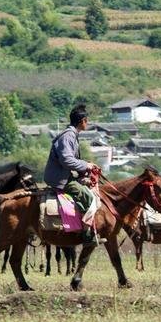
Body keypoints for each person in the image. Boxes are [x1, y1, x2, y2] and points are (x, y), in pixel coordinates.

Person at [44, 104, 101, 245]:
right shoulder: (68, 136)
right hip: (59, 179)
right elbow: (67, 160)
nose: (87, 123)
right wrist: (86, 165)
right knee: (88, 197)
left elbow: (71, 160)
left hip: (64, 175)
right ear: (82, 121)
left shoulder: (72, 135)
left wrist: (86, 168)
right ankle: (86, 235)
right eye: (87, 120)